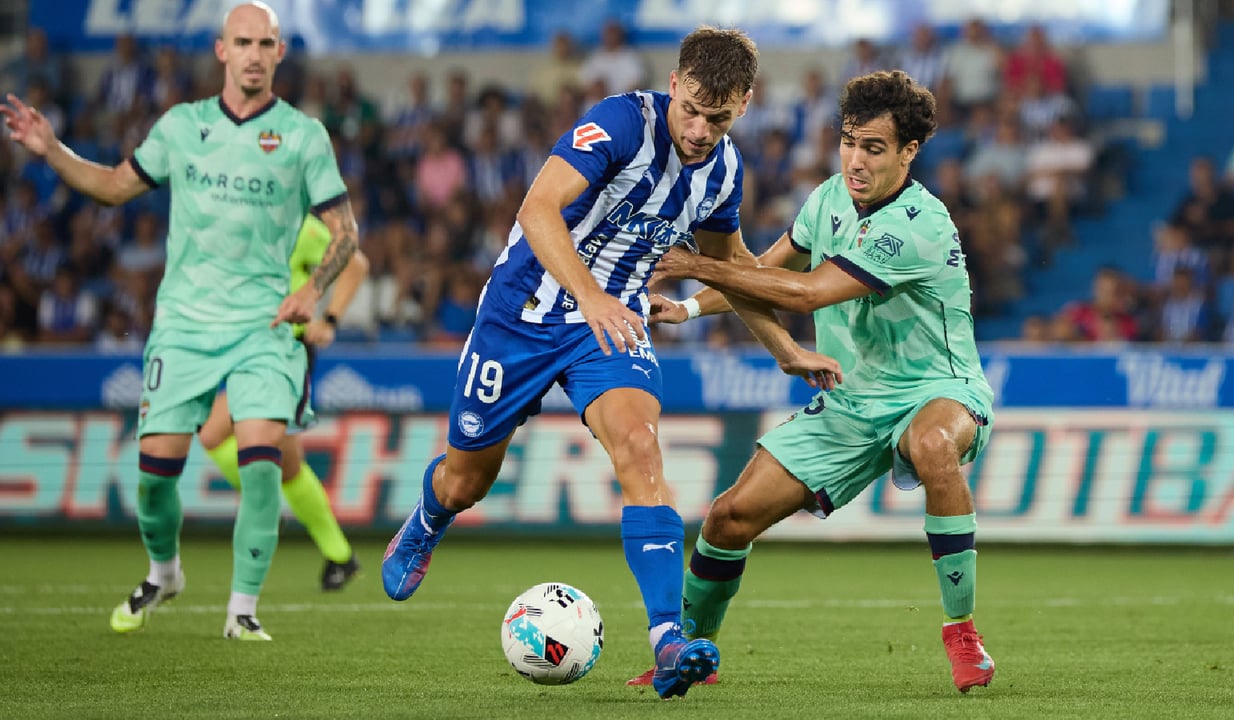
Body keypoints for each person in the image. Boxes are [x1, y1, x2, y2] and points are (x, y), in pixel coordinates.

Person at [380, 26, 840, 699]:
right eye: (693, 110)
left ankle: (668, 640)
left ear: (743, 104)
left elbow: (735, 268)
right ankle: (427, 519)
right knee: (464, 482)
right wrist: (589, 295)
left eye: (720, 117)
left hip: (614, 325)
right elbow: (538, 211)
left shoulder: (723, 171)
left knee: (640, 448)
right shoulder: (622, 122)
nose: (702, 129)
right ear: (676, 84)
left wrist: (787, 348)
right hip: (521, 316)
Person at [1, 1, 358, 640]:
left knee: (260, 462)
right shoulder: (180, 126)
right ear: (222, 50)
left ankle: (242, 611)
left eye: (265, 43)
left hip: (263, 329)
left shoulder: (304, 136)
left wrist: (316, 292)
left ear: (279, 53)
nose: (253, 53)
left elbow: (345, 233)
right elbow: (113, 186)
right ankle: (164, 572)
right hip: (184, 328)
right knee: (154, 480)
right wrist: (51, 148)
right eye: (241, 42)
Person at [648, 70, 998, 694]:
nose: (855, 160)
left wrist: (692, 263)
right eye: (848, 141)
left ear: (909, 152)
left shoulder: (919, 225)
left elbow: (805, 294)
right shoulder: (828, 199)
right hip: (852, 398)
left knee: (933, 445)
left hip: (939, 389)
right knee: (727, 519)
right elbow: (763, 272)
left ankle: (962, 632)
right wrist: (693, 307)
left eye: (874, 148)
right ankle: (689, 656)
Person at [198, 213, 369, 591]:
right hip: (256, 349)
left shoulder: (304, 227)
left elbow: (355, 263)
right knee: (287, 466)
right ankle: (340, 556)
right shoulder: (256, 222)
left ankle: (268, 507)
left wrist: (330, 319)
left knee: (214, 433)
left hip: (287, 351)